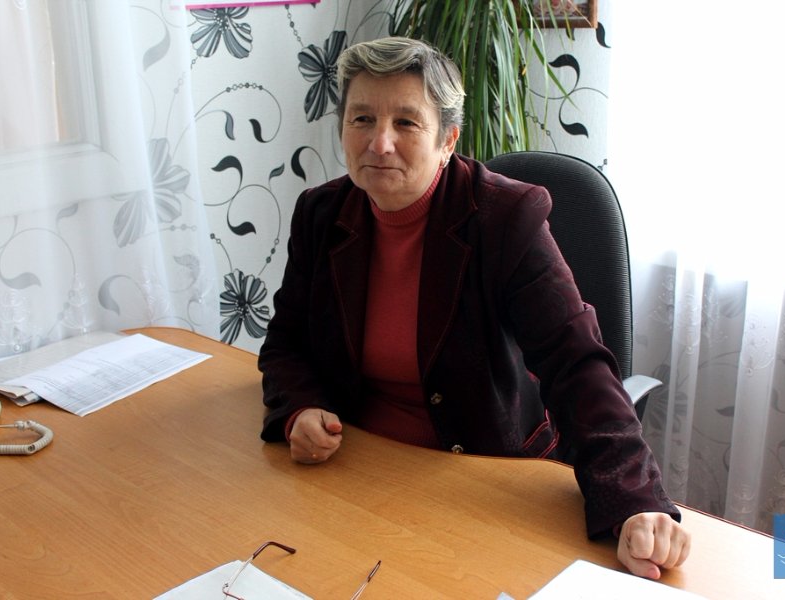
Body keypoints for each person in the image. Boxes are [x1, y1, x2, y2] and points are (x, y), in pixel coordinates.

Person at [258, 36, 690, 580]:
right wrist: (299, 407)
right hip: (359, 466)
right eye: (362, 118)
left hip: (480, 475)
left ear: (448, 140)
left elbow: (575, 362)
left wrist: (633, 497)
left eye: (407, 123)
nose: (380, 143)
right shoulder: (321, 214)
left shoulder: (505, 217)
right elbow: (286, 342)